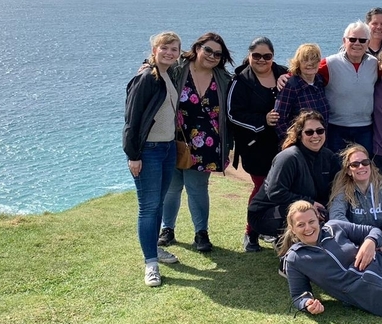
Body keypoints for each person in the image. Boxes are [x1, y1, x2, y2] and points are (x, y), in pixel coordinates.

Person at [159, 32, 233, 253]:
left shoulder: (223, 78)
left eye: (218, 54)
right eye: (208, 50)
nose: (212, 56)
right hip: (174, 139)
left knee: (197, 188)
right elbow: (158, 67)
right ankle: (167, 229)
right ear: (198, 48)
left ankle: (201, 233)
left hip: (208, 144)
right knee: (172, 188)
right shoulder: (178, 69)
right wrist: (146, 66)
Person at [123, 31, 183, 287]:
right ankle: (150, 264)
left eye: (175, 49)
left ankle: (154, 250)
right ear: (155, 49)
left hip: (167, 149)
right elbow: (132, 120)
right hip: (148, 151)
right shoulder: (147, 77)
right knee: (148, 207)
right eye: (165, 48)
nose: (170, 53)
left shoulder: (167, 74)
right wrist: (133, 155)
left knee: (157, 204)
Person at [228, 36, 289, 252]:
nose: (262, 60)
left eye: (267, 56)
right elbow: (233, 114)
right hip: (255, 146)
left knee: (283, 188)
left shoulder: (284, 73)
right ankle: (250, 233)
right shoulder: (241, 81)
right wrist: (263, 121)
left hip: (284, 144)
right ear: (249, 56)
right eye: (257, 55)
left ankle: (274, 230)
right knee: (262, 187)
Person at [247, 110, 340, 248]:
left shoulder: (328, 156)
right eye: (309, 132)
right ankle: (287, 248)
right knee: (305, 216)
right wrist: (310, 205)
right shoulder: (289, 157)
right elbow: (275, 192)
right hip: (266, 213)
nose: (315, 135)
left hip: (307, 209)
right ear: (300, 135)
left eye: (320, 131)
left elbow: (334, 190)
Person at [320, 21, 379, 154]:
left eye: (362, 40)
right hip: (336, 128)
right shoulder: (330, 63)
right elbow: (306, 71)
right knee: (337, 169)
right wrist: (286, 77)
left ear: (368, 43)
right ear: (344, 41)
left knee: (363, 168)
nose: (357, 43)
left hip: (365, 128)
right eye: (352, 39)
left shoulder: (375, 64)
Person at [274, 43, 329, 140]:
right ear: (298, 63)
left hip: (320, 142)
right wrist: (292, 141)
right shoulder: (290, 85)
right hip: (299, 145)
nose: (310, 63)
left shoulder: (320, 82)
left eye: (314, 59)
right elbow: (279, 119)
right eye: (305, 60)